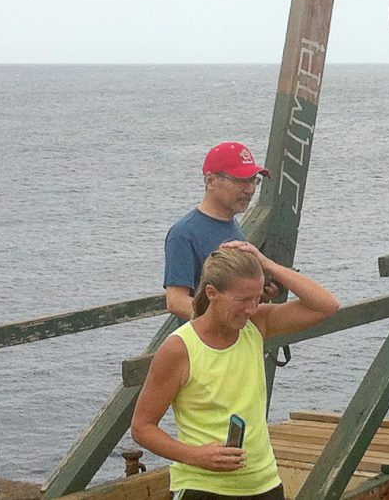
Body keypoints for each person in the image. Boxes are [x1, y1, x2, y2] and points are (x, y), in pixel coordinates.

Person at [132, 242, 340, 500]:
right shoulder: (180, 348)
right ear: (212, 293)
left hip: (264, 483)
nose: (251, 308)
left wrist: (267, 264)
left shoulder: (256, 325)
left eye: (256, 298)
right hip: (204, 487)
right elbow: (142, 427)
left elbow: (327, 305)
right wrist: (196, 455)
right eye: (242, 300)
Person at [164, 142, 270, 321]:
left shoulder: (233, 226)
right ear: (210, 181)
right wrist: (227, 318)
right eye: (240, 180)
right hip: (203, 344)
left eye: (253, 181)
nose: (250, 189)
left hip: (231, 341)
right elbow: (175, 301)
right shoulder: (183, 233)